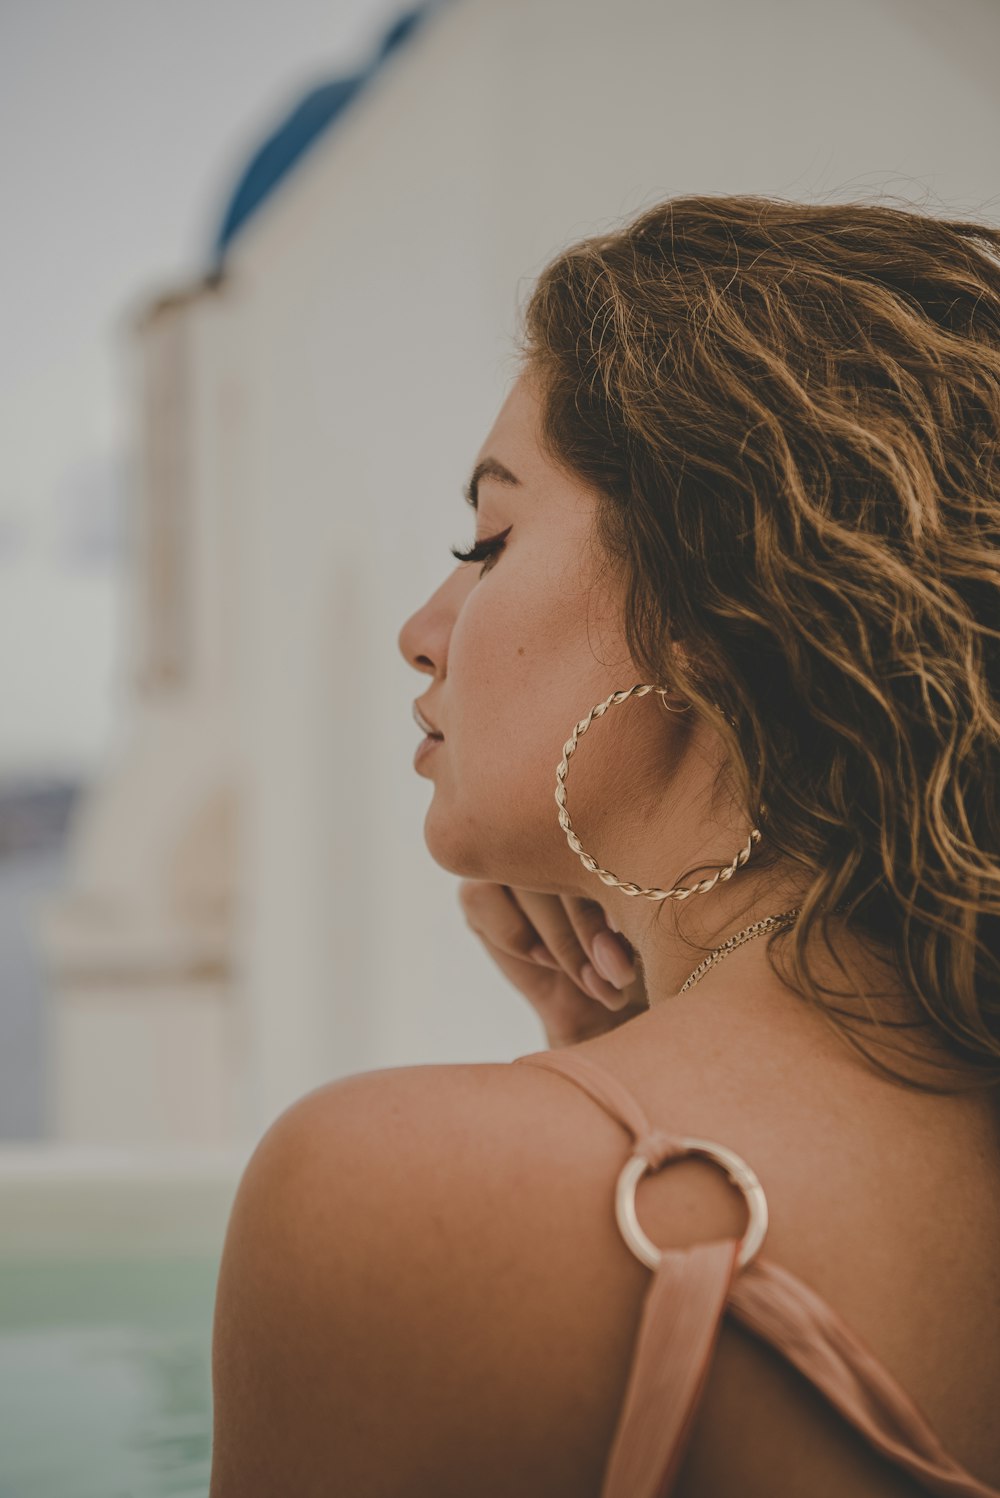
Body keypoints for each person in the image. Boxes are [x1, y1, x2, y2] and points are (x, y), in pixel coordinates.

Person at [209, 194, 1000, 1497]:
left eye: (490, 538)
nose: (422, 627)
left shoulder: (399, 1197)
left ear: (716, 602)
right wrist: (619, 1039)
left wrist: (598, 1103)